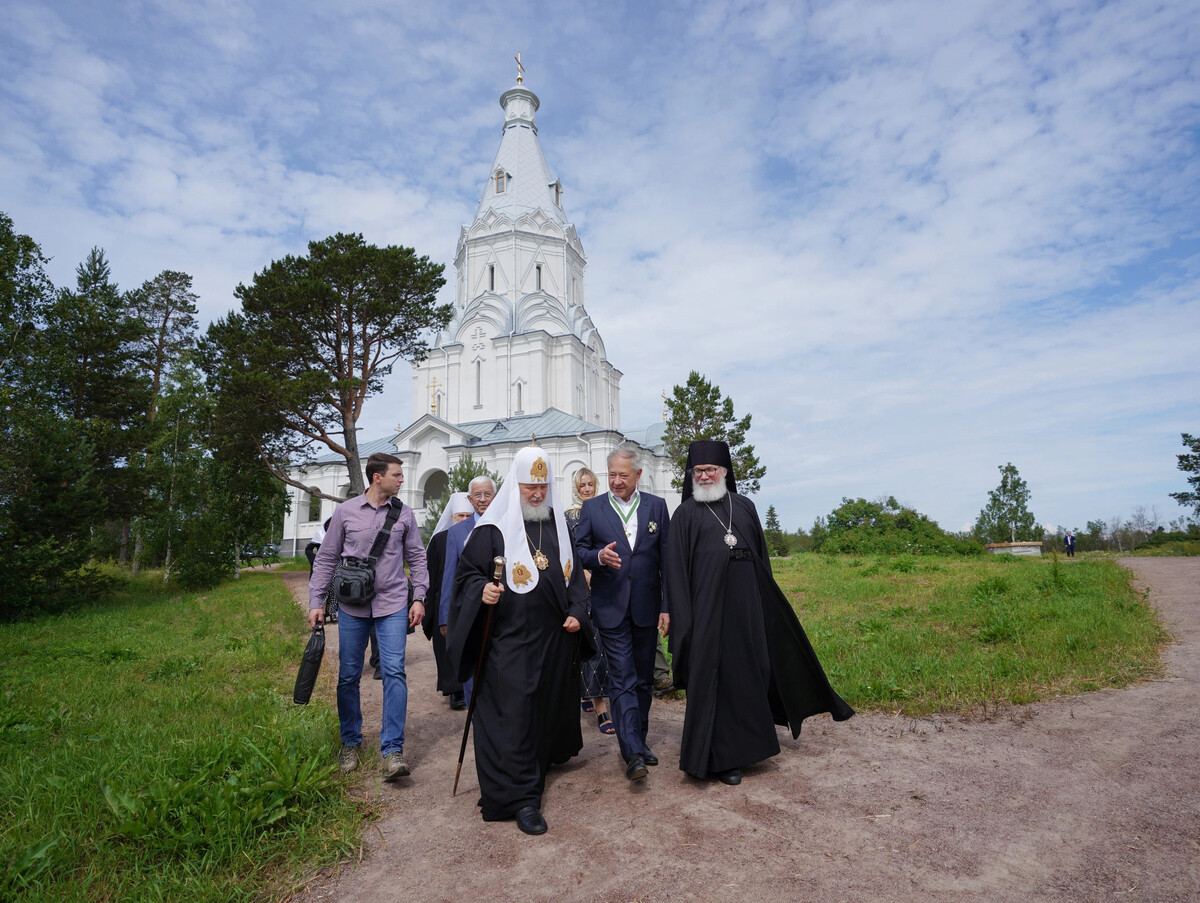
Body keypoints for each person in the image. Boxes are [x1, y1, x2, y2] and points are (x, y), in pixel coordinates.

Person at [665, 440, 853, 785]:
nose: (705, 476)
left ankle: (749, 750)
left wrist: (765, 607)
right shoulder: (685, 515)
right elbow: (675, 571)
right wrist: (681, 619)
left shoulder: (745, 506)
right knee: (715, 680)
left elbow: (764, 562)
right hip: (707, 613)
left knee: (749, 673)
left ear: (724, 472)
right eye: (699, 471)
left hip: (747, 608)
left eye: (711, 470)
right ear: (691, 475)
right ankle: (721, 759)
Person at [447, 446, 594, 835]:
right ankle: (520, 799)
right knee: (512, 717)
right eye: (530, 486)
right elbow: (465, 578)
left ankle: (539, 765)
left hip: (552, 641)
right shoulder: (492, 529)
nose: (536, 494)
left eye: (542, 487)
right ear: (516, 485)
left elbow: (575, 581)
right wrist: (482, 590)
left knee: (542, 712)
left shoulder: (557, 527)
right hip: (508, 644)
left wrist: (578, 613)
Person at [308, 452, 429, 782]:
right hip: (352, 608)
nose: (402, 480)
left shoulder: (404, 514)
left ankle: (392, 749)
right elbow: (326, 559)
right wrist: (316, 601)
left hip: (392, 605)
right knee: (348, 675)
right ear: (378, 477)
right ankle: (351, 741)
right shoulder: (346, 512)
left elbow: (417, 558)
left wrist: (418, 597)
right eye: (397, 475)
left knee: (394, 673)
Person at [575, 447, 671, 782]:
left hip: (646, 607)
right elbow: (578, 551)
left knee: (643, 680)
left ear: (638, 476)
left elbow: (666, 561)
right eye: (612, 475)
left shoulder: (657, 507)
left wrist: (666, 606)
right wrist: (598, 557)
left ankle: (639, 741)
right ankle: (631, 752)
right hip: (611, 607)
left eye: (623, 476)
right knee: (622, 678)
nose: (616, 481)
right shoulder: (593, 508)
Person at [564, 467, 615, 736]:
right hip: (580, 586)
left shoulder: (602, 509)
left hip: (603, 584)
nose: (586, 489)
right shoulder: (569, 516)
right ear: (576, 486)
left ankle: (595, 696)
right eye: (582, 485)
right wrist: (581, 575)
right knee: (588, 643)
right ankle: (600, 708)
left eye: (590, 484)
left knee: (603, 643)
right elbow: (568, 552)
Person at [439, 475, 498, 706]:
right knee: (471, 661)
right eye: (477, 495)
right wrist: (446, 617)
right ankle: (475, 710)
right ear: (469, 499)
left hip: (500, 608)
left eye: (487, 494)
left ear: (495, 496)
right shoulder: (456, 533)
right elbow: (450, 578)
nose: (482, 500)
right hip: (468, 609)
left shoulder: (506, 524)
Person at [423, 492, 472, 710]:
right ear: (452, 517)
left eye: (466, 516)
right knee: (446, 646)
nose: (462, 520)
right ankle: (454, 689)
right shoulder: (439, 540)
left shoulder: (479, 534)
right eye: (459, 515)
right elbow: (431, 575)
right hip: (445, 600)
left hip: (471, 599)